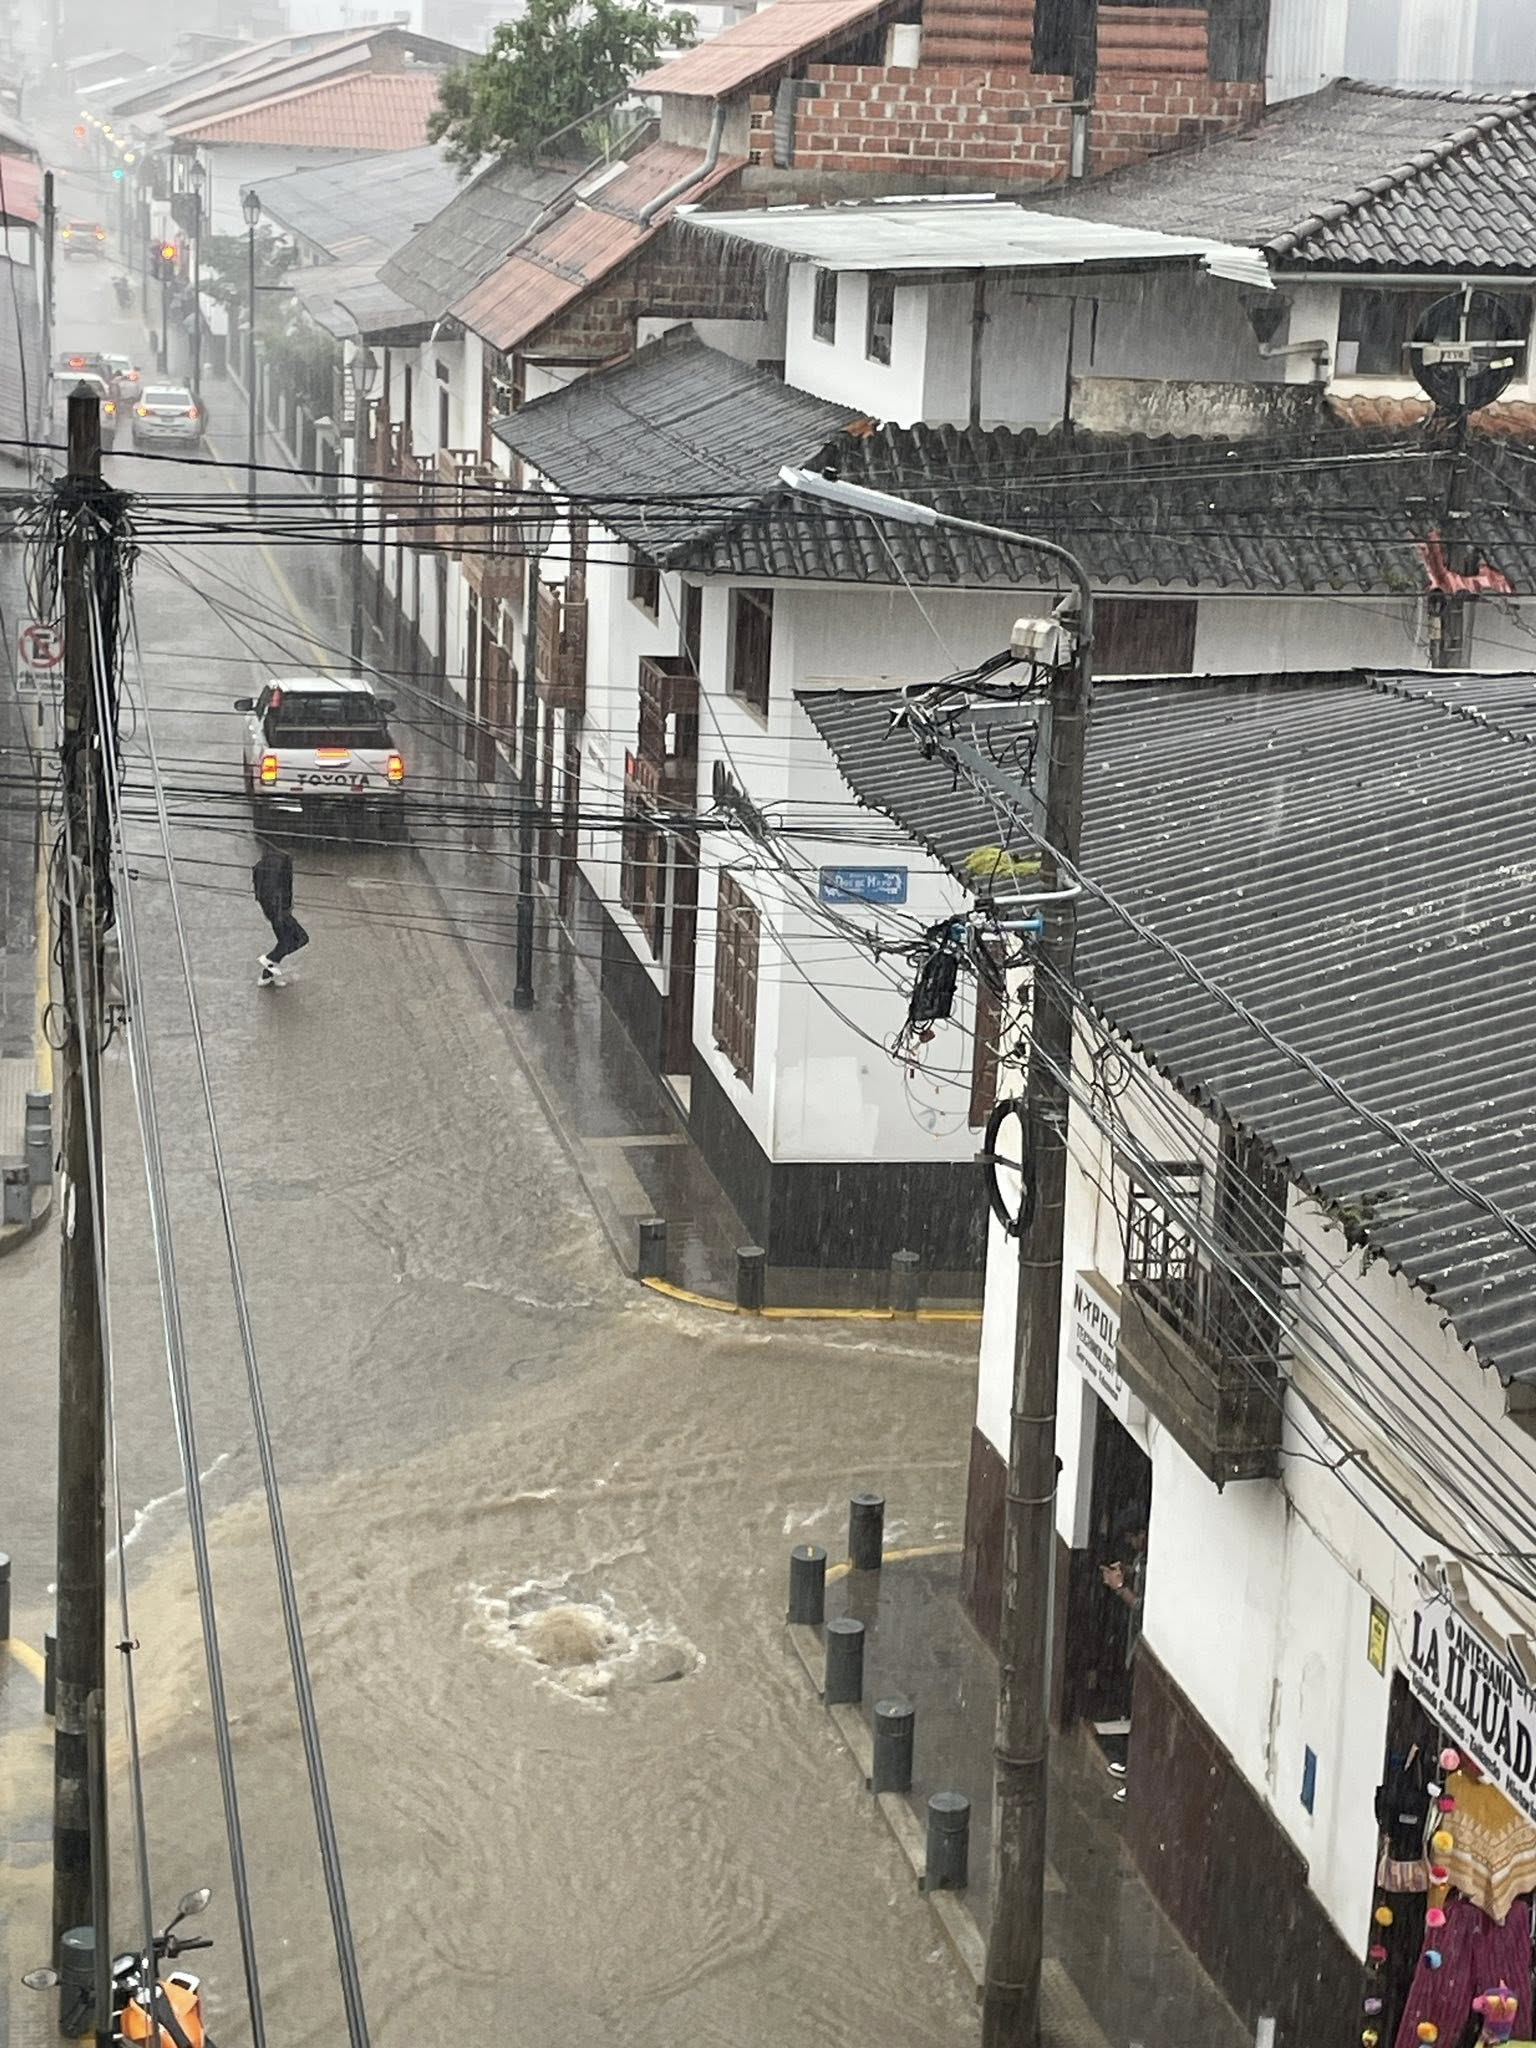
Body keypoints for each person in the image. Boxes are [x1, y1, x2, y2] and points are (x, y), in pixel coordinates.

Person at [1100, 1516, 1148, 1802]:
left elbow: (1143, 1606)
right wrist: (1128, 1572)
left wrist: (1120, 1588)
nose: (1132, 1545)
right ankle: (1129, 1765)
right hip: (1134, 1645)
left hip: (1141, 1643)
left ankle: (1135, 1777)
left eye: (1134, 1538)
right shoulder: (1144, 1557)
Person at [252, 843, 309, 986]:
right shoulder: (280, 865)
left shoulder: (263, 865)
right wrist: (280, 912)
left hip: (275, 912)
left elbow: (261, 893)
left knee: (285, 943)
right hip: (280, 913)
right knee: (300, 938)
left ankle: (267, 974)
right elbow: (275, 892)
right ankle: (269, 960)